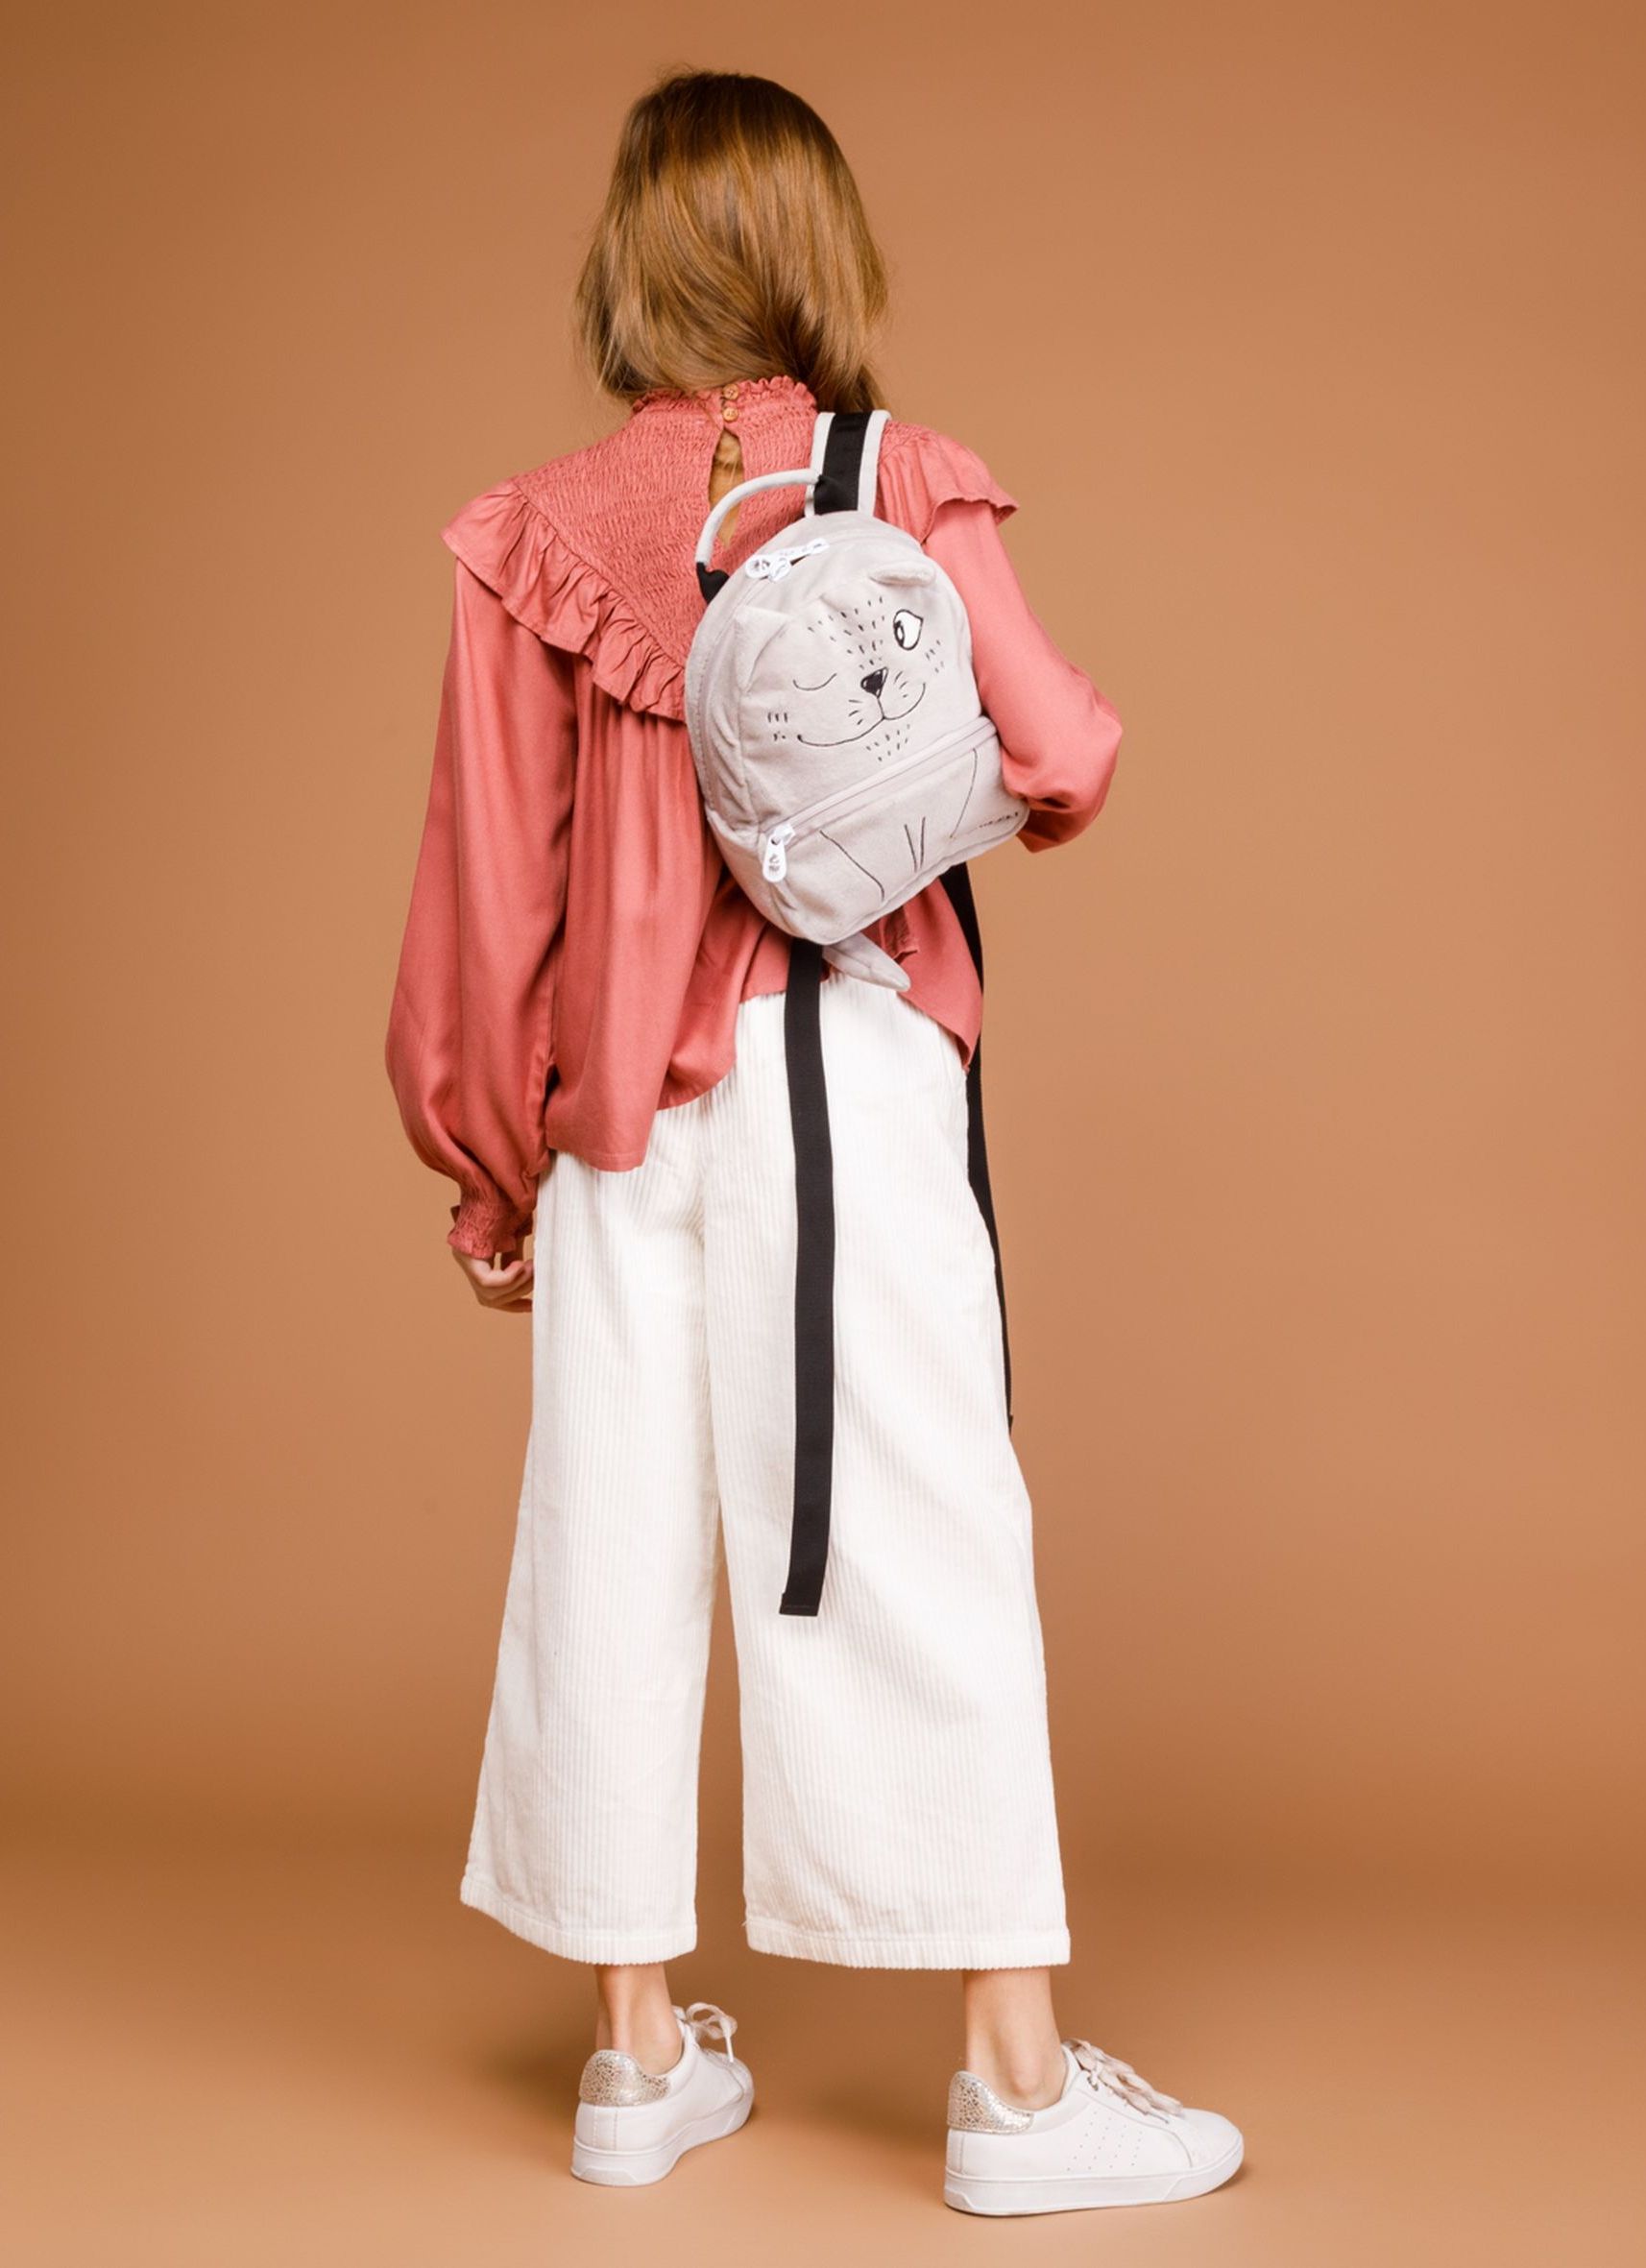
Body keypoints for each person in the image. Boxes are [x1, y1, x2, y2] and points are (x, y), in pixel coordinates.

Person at [385, 66, 1243, 2216]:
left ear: (631, 260)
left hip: (616, 1121)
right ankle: (1017, 2098)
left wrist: (487, 1162)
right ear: (815, 252)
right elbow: (1065, 752)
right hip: (846, 1078)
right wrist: (953, 792)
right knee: (920, 1534)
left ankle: (633, 2060)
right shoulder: (899, 480)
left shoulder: (533, 535)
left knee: (606, 1533)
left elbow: (486, 893)